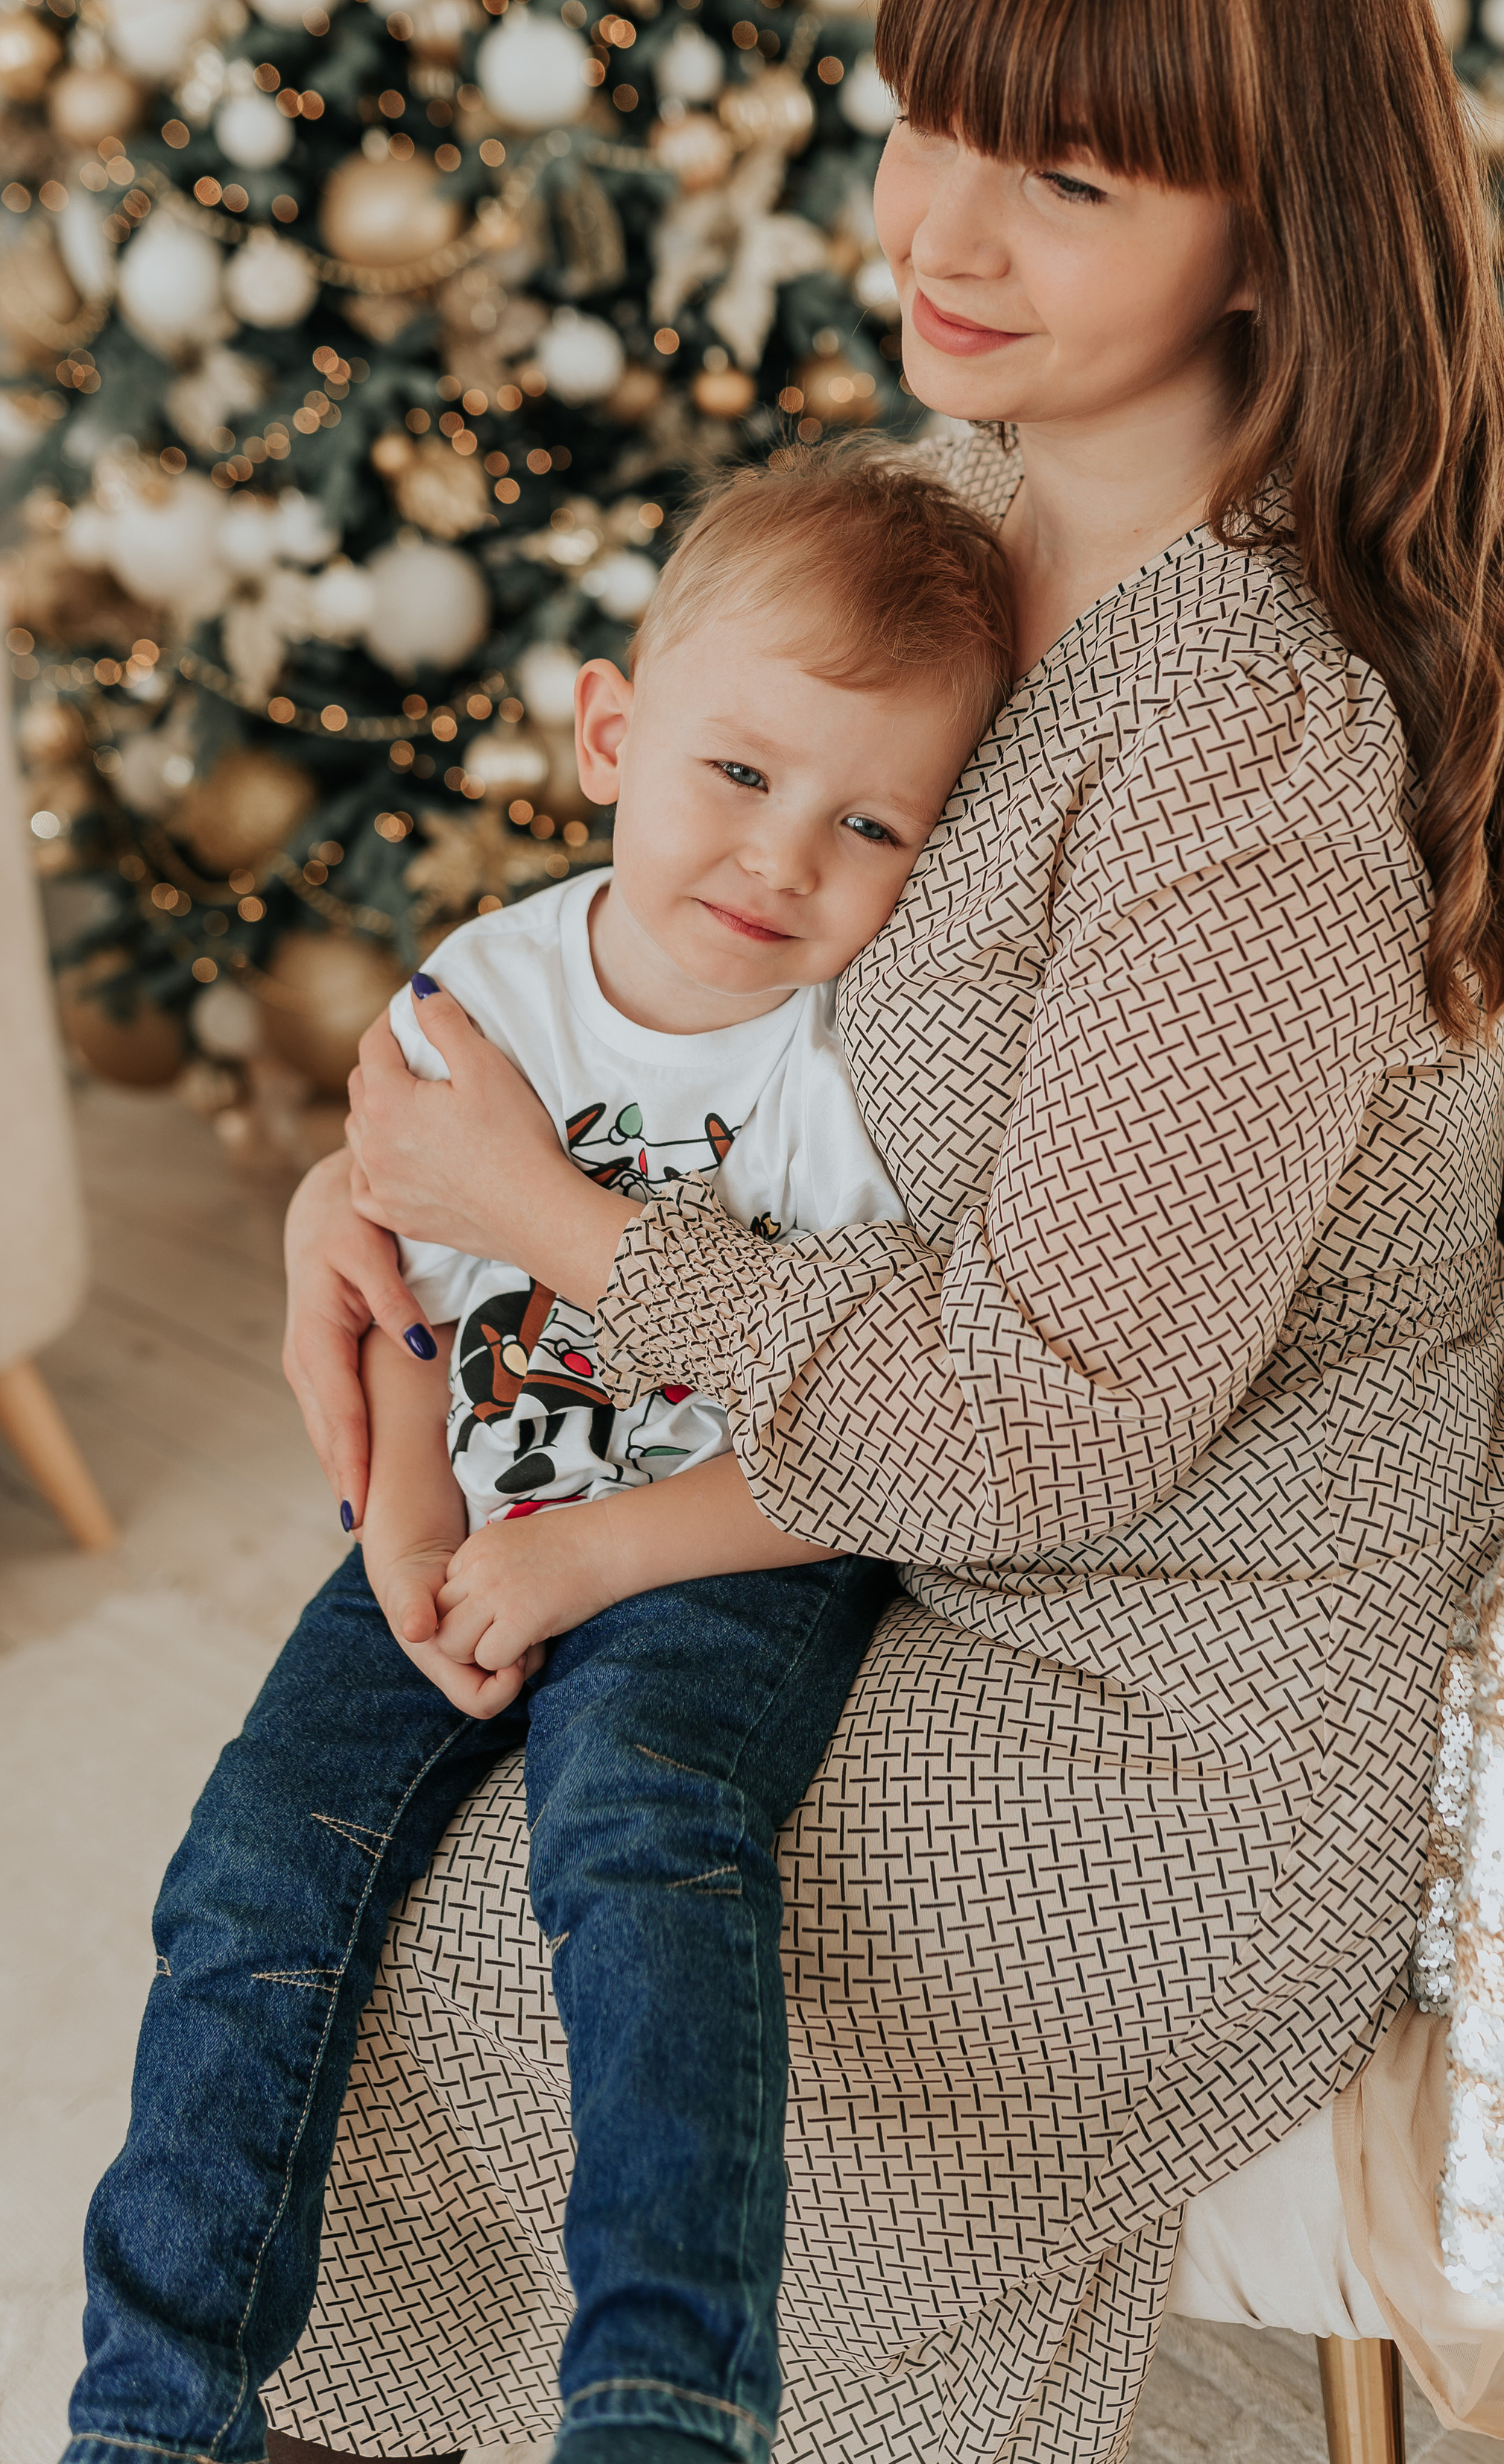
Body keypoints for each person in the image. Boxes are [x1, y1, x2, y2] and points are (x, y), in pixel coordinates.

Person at [270, 0, 1504, 2464]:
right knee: (300, 1918)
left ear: (1276, 228)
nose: (942, 234)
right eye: (935, 120)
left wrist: (549, 1220)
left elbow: (1056, 1419)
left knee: (529, 2018)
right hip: (849, 1507)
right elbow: (703, 970)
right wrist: (385, 1177)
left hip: (1173, 1655)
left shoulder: (1248, 746)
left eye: (1075, 182)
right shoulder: (974, 529)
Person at [63, 451, 1017, 2464]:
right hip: (477, 1494)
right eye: (740, 775)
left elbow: (854, 1451)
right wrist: (408, 1513)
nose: (783, 861)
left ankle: (664, 2403)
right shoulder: (475, 998)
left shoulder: (842, 1071)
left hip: (718, 1542)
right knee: (248, 1875)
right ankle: (155, 2416)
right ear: (610, 732)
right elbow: (393, 1295)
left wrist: (591, 1566)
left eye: (870, 823)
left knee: (641, 1841)